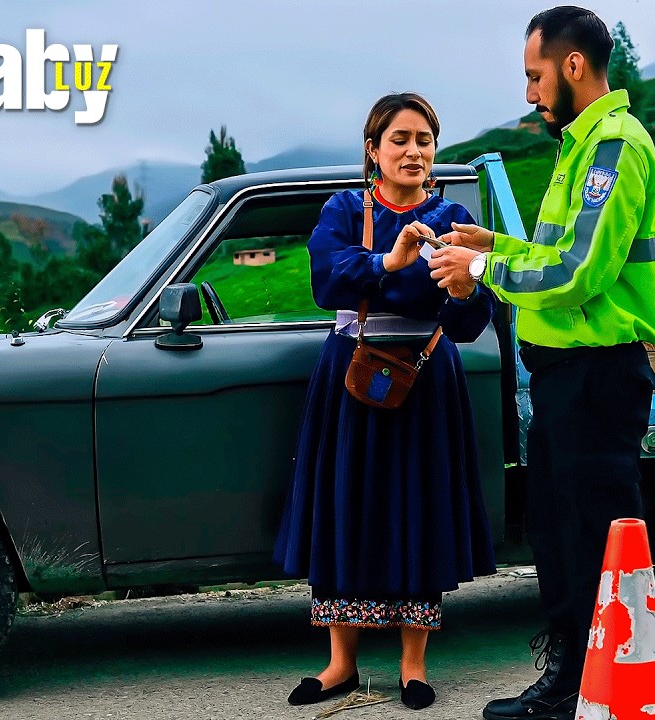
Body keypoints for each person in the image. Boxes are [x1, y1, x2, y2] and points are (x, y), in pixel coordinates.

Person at [426, 7, 655, 719]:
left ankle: (592, 685)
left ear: (573, 66)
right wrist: (496, 245)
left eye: (535, 76)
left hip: (596, 376)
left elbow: (577, 274)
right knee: (561, 533)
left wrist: (480, 269)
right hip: (568, 378)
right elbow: (557, 254)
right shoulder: (582, 143)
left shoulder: (614, 146)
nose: (529, 93)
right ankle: (575, 677)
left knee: (591, 538)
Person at [273, 92, 496, 711]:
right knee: (346, 504)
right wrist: (388, 262)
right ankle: (340, 663)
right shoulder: (345, 209)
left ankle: (412, 666)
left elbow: (469, 322)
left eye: (424, 140)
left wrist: (466, 282)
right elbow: (327, 280)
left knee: (418, 506)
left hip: (426, 376)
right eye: (399, 139)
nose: (413, 151)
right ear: (373, 150)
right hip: (352, 374)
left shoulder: (452, 217)